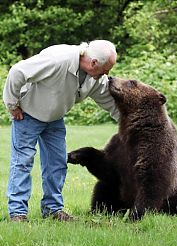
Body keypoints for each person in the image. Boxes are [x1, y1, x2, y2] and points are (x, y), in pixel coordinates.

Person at [3, 40, 119, 222]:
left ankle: (52, 209)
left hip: (55, 118)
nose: (108, 73)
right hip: (27, 115)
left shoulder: (95, 77)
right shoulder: (58, 60)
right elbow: (17, 72)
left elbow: (111, 103)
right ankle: (17, 213)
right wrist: (12, 104)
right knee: (22, 163)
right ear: (94, 62)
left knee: (57, 163)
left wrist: (133, 126)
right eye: (106, 68)